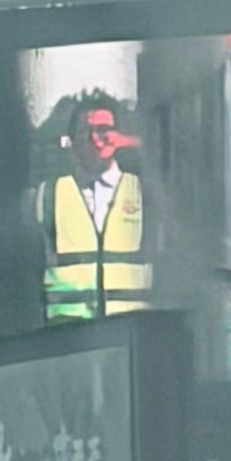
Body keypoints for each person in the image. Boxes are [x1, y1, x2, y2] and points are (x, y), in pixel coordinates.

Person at [42, 97, 154, 325]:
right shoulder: (47, 196)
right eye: (85, 131)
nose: (95, 138)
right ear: (73, 140)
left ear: (118, 137)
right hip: (68, 330)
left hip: (129, 327)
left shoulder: (144, 193)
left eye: (104, 130)